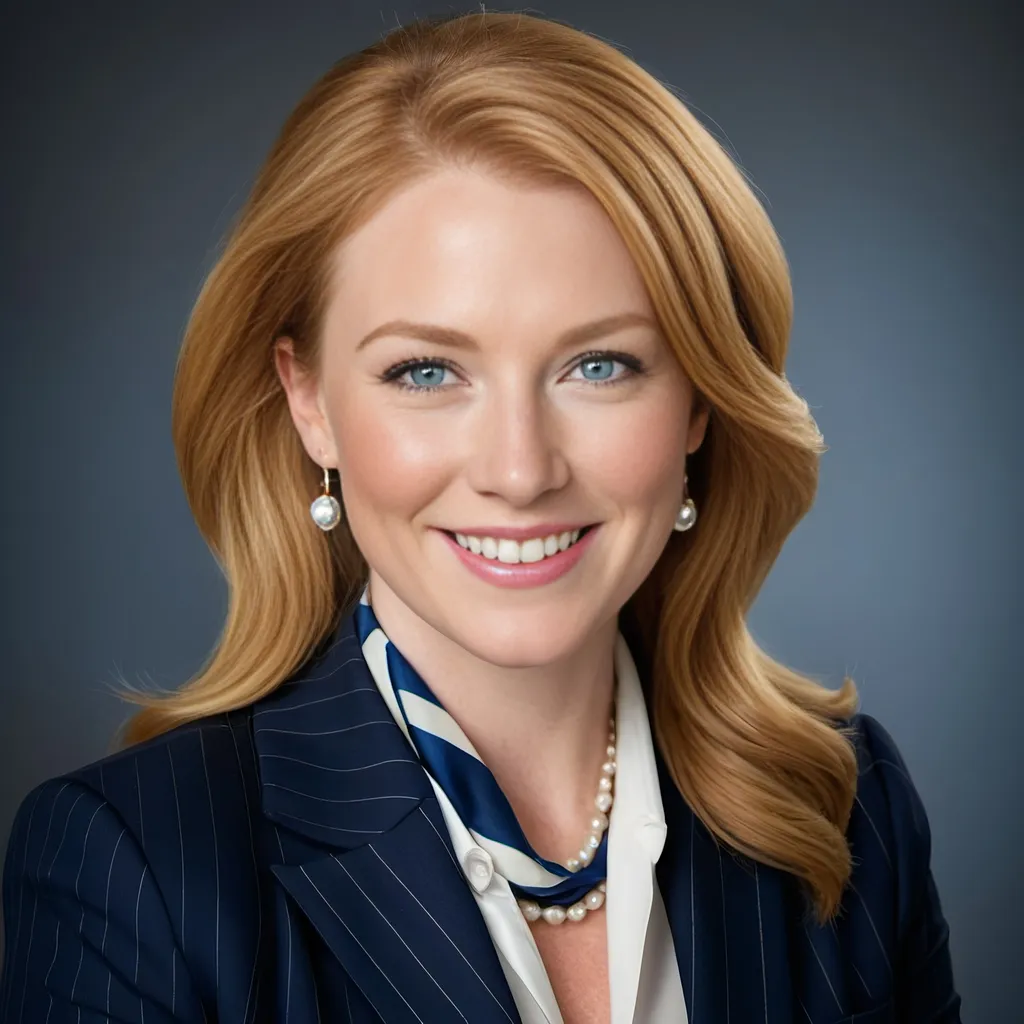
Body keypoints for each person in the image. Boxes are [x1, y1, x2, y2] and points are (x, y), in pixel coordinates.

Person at [0, 10, 961, 1024]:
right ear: (309, 400)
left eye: (600, 365)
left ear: (699, 402)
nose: (518, 469)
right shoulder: (134, 868)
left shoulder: (847, 806)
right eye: (426, 371)